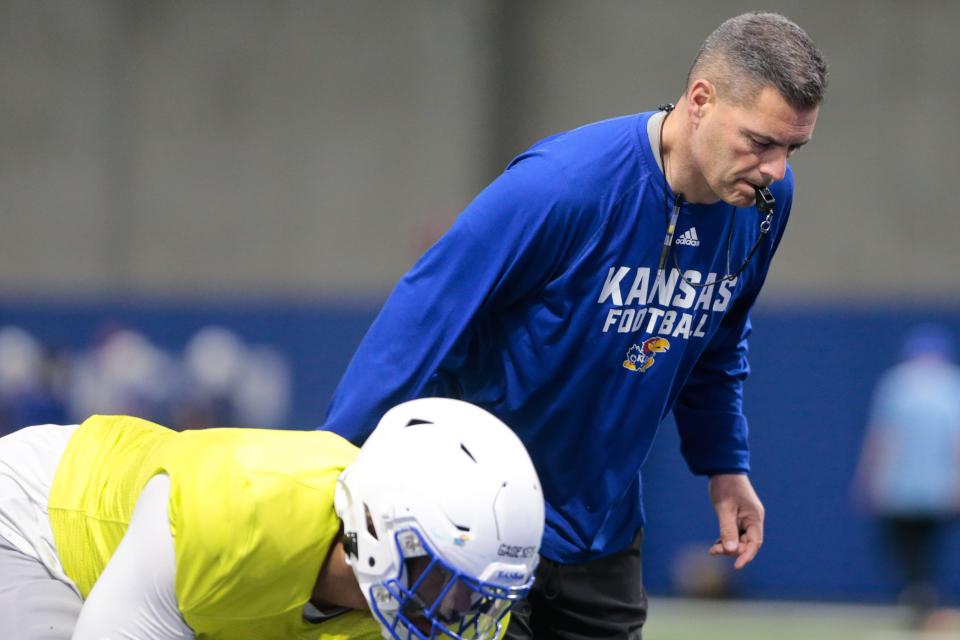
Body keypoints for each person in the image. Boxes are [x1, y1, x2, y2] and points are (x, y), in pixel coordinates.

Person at [324, 11, 827, 638]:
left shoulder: (762, 204)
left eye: (791, 148)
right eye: (760, 142)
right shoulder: (560, 188)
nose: (776, 168)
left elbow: (719, 340)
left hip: (603, 534)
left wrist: (725, 466)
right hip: (476, 522)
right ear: (702, 101)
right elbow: (421, 320)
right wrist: (328, 476)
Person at [0, 397, 544, 639]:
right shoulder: (237, 512)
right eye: (444, 578)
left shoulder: (460, 613)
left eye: (476, 594)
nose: (460, 612)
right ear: (378, 527)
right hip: (35, 527)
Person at [853, 324, 960, 628]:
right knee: (925, 547)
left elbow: (882, 437)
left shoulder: (897, 383)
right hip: (935, 486)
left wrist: (868, 478)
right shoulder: (951, 384)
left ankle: (917, 597)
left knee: (904, 547)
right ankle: (921, 596)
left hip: (900, 485)